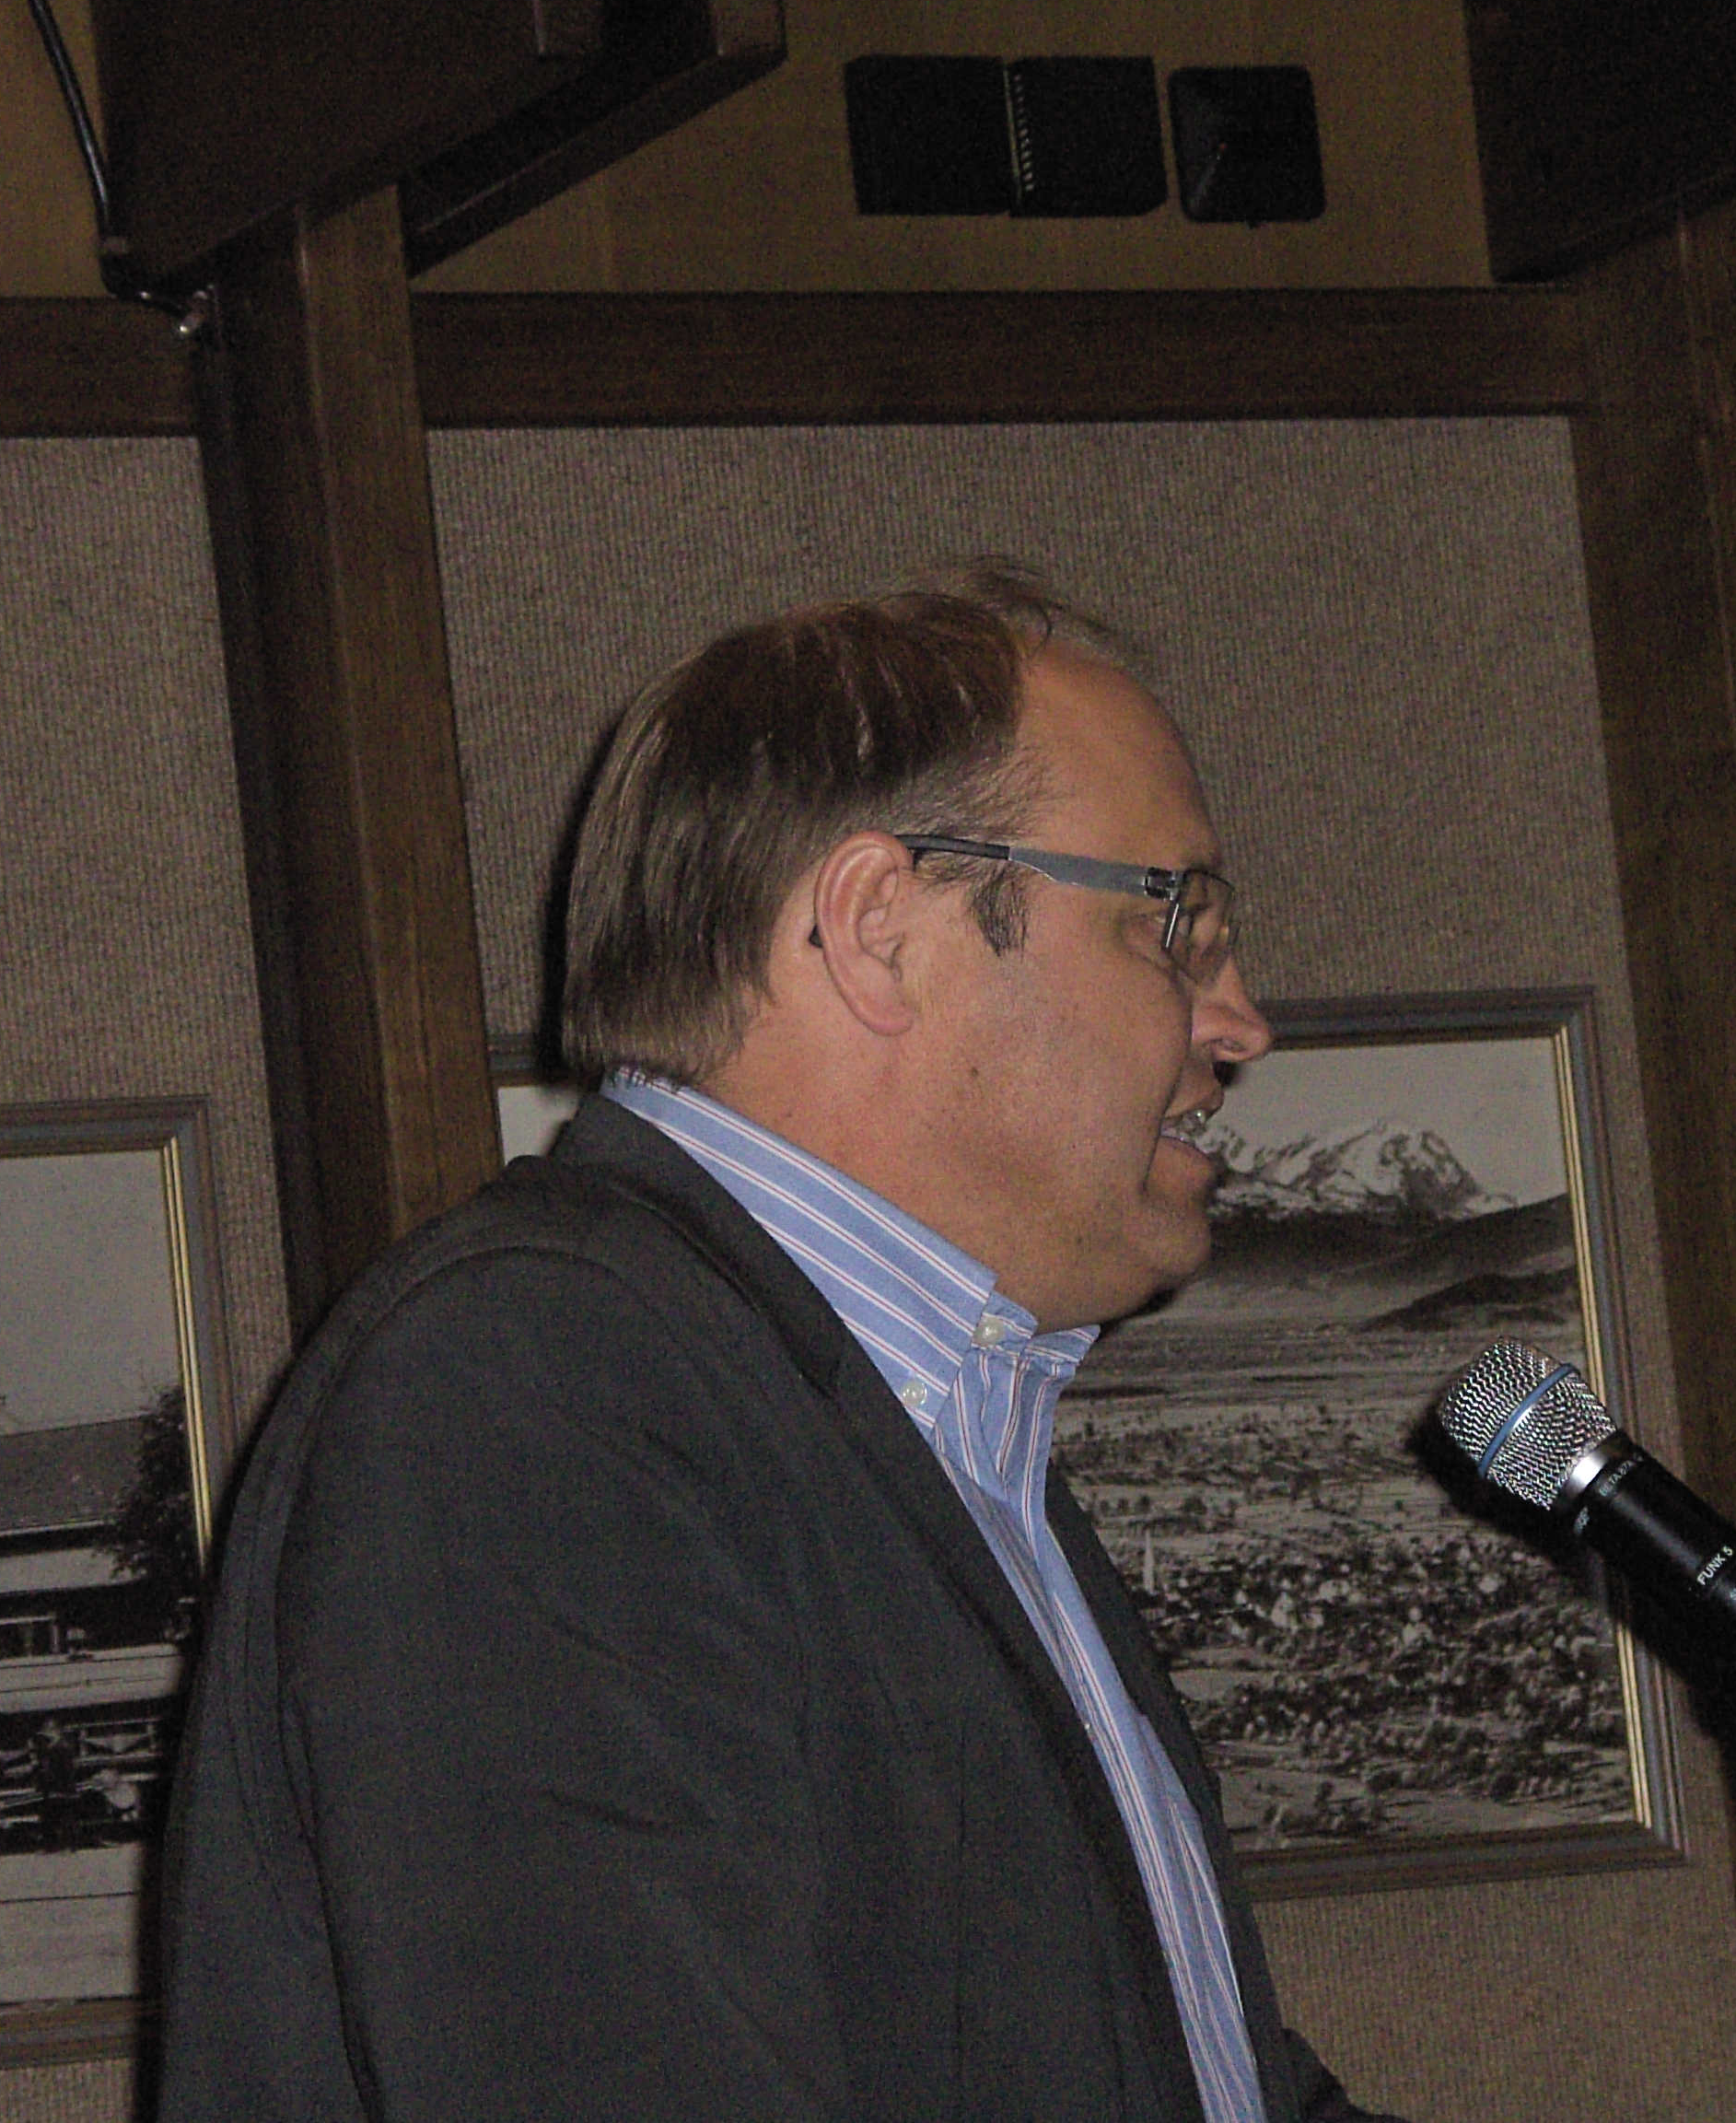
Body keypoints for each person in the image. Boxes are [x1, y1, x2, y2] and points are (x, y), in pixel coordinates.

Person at [158, 570, 1398, 2121]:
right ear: (881, 930)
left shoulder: (916, 1412)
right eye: (1175, 922)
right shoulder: (536, 1393)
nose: (1238, 1022)